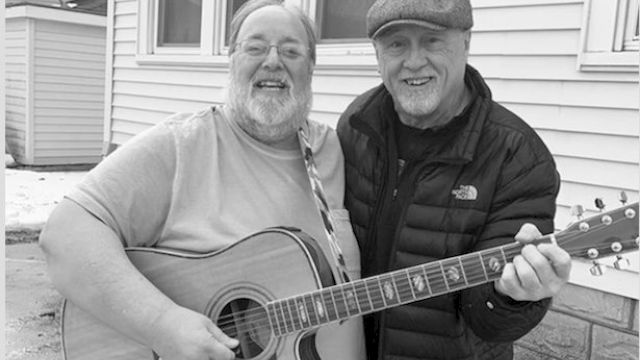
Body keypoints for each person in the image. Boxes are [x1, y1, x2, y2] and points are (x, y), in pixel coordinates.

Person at [39, 1, 365, 359]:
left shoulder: (331, 149)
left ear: (312, 67)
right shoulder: (182, 144)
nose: (273, 61)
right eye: (255, 47)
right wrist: (163, 324)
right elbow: (64, 235)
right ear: (232, 60)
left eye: (291, 50)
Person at [336, 0, 572, 359]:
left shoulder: (516, 154)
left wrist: (513, 297)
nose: (413, 62)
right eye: (396, 44)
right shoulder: (357, 126)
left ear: (466, 43)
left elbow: (489, 325)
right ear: (377, 53)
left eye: (432, 40)